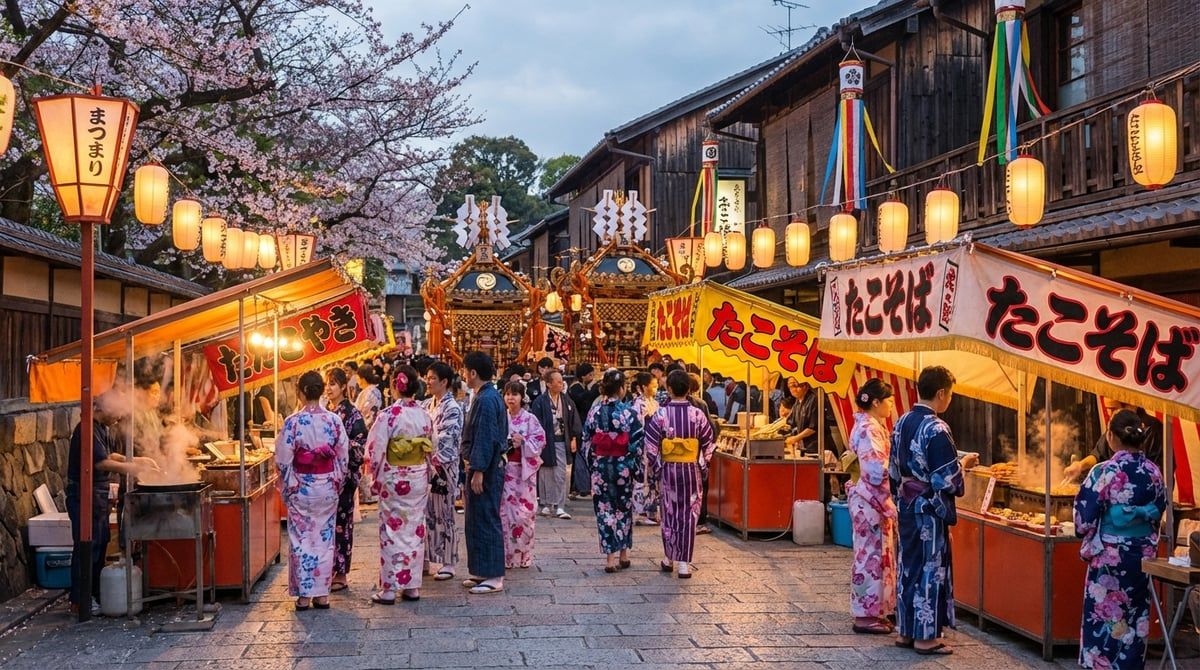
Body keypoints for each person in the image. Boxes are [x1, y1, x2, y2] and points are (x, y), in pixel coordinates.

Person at [1073, 409, 1167, 670]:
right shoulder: (1154, 473)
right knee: (1134, 618)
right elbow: (1157, 511)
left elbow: (1083, 520)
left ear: (1111, 436)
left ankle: (1101, 665)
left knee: (1103, 615)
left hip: (1109, 559)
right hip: (1141, 558)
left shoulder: (1104, 471)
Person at [889, 366, 964, 655]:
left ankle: (905, 631)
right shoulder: (936, 428)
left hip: (907, 504)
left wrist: (900, 493)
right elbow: (946, 477)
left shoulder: (902, 421)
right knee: (930, 568)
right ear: (941, 393)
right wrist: (962, 470)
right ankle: (925, 636)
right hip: (928, 508)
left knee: (908, 565)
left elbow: (893, 469)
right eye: (951, 394)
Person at [67, 393, 154, 615]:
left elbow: (109, 454)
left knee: (100, 544)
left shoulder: (102, 429)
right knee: (87, 546)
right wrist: (133, 469)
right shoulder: (85, 429)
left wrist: (136, 460)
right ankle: (80, 601)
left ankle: (94, 594)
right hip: (84, 494)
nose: (117, 417)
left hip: (99, 494)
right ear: (102, 409)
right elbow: (101, 463)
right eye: (115, 412)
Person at [276, 371, 350, 610]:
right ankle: (322, 594)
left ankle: (305, 595)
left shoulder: (293, 422)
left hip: (302, 487)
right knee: (325, 540)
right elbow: (343, 456)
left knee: (301, 540)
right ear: (320, 391)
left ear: (300, 392)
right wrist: (336, 480)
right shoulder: (334, 420)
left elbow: (283, 459)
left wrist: (290, 484)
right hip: (327, 485)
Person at [365, 365, 433, 604]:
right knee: (414, 528)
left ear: (395, 385)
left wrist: (375, 475)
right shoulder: (424, 414)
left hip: (394, 476)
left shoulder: (388, 415)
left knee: (392, 530)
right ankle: (412, 586)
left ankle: (390, 589)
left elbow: (375, 450)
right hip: (417, 476)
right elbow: (429, 446)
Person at [644, 370, 716, 579]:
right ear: (689, 389)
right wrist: (702, 465)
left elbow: (650, 446)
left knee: (669, 514)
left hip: (668, 470)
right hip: (691, 470)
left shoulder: (661, 414)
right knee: (689, 516)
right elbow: (709, 444)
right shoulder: (697, 414)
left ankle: (669, 558)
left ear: (669, 389)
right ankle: (684, 563)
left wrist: (658, 467)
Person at [846, 378, 897, 635]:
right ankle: (866, 615)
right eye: (888, 400)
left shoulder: (866, 425)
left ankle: (876, 610)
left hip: (866, 498)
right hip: (869, 498)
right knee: (870, 557)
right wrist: (899, 473)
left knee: (873, 555)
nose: (891, 405)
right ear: (875, 402)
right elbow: (876, 471)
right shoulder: (869, 428)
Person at [584, 369, 644, 573]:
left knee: (604, 510)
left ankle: (609, 559)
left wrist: (593, 463)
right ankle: (624, 554)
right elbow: (637, 442)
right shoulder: (629, 412)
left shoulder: (595, 411)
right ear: (621, 388)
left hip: (601, 465)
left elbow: (587, 440)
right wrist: (634, 465)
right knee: (623, 508)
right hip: (622, 466)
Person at [460, 351, 508, 594]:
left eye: (464, 370)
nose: (463, 375)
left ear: (473, 373)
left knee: (487, 517)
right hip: (482, 465)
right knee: (476, 518)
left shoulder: (487, 399)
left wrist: (478, 469)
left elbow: (486, 437)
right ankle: (481, 569)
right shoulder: (485, 396)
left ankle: (494, 574)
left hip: (486, 468)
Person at [324, 368, 367, 593]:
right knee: (327, 527)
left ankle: (341, 572)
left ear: (343, 386)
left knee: (342, 526)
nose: (329, 388)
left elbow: (360, 447)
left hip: (344, 478)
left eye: (333, 384)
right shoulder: (326, 412)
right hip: (324, 478)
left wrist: (336, 447)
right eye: (326, 384)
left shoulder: (353, 414)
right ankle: (327, 569)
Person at [422, 362, 464, 581]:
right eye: (427, 378)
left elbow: (448, 440)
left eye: (431, 378)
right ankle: (427, 557)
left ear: (444, 382)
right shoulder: (427, 404)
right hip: (427, 466)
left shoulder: (453, 408)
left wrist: (428, 449)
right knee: (428, 514)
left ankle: (448, 561)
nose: (427, 382)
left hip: (444, 468)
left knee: (445, 514)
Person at [1064, 400, 1165, 483]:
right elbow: (1098, 454)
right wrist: (1080, 465)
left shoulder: (1153, 428)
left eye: (1114, 409)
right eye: (1109, 410)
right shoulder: (1152, 470)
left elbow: (1087, 504)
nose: (1111, 414)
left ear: (1131, 405)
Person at [502, 381, 545, 568]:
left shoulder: (530, 419)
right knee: (505, 514)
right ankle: (507, 556)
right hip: (505, 469)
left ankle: (525, 554)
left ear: (522, 397)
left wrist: (524, 442)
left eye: (515, 394)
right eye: (508, 394)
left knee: (524, 514)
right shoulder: (500, 417)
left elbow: (540, 440)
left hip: (524, 471)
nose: (511, 398)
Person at [531, 369, 581, 519]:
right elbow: (535, 423)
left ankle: (560, 505)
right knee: (546, 474)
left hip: (562, 440)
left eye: (561, 381)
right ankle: (546, 504)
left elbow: (574, 421)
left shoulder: (566, 400)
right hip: (546, 442)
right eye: (558, 381)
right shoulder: (540, 402)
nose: (561, 384)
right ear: (548, 384)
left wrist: (573, 438)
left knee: (561, 474)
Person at [630, 372, 661, 527]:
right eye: (653, 386)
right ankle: (640, 512)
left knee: (652, 479)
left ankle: (651, 511)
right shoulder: (638, 404)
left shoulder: (654, 403)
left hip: (654, 446)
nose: (655, 389)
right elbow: (637, 428)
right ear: (643, 387)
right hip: (642, 446)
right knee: (642, 479)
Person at [785, 379, 818, 454]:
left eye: (795, 385)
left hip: (817, 447)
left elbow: (813, 428)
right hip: (806, 447)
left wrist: (796, 438)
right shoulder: (797, 402)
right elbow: (791, 423)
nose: (793, 389)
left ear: (805, 386)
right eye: (790, 386)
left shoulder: (814, 400)